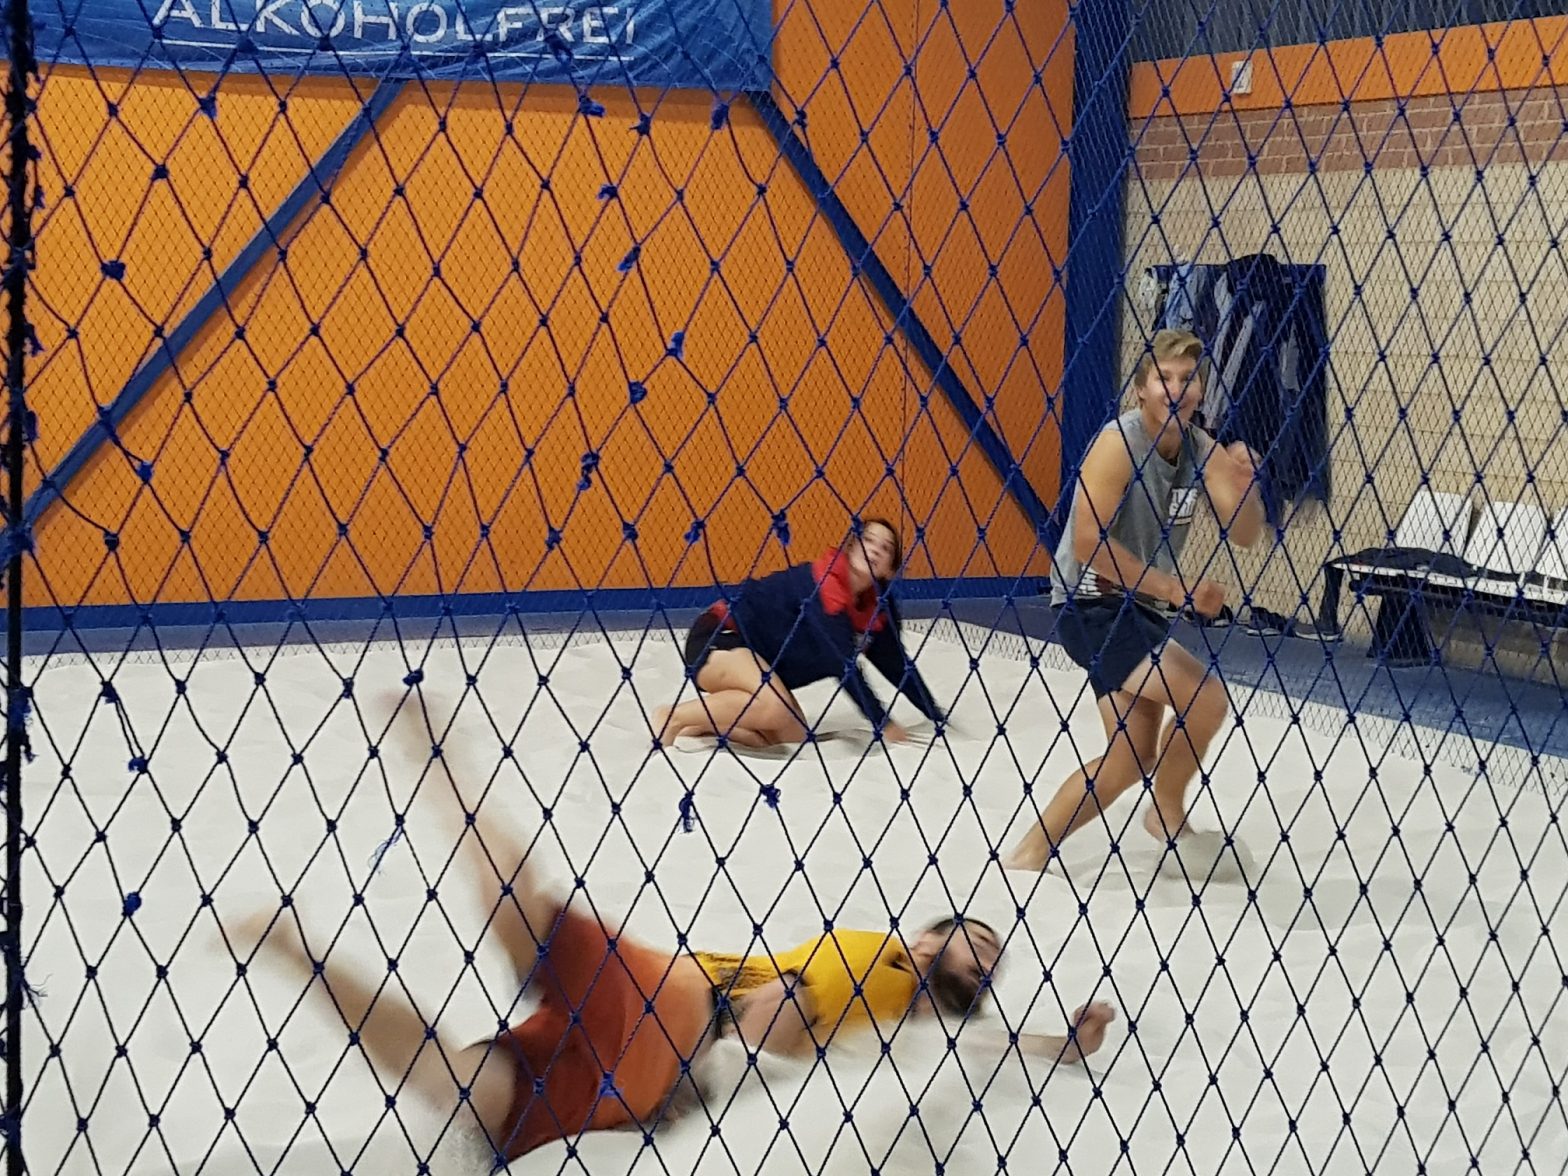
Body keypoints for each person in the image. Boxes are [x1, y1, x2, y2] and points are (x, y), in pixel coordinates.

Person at [240, 703, 1117, 1163]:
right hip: (667, 995)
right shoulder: (887, 961)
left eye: (994, 956)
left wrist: (1060, 1045)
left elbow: (980, 1049)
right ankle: (445, 774)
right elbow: (797, 1004)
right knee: (520, 916)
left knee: (458, 1084)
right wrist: (782, 1011)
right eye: (980, 940)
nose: (988, 958)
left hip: (665, 1051)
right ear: (933, 935)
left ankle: (301, 956)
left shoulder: (924, 1016)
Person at [1005, 328, 1266, 876]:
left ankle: (1030, 851)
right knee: (1205, 698)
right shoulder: (1117, 444)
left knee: (1130, 757)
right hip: (1089, 603)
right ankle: (1166, 812)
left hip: (1138, 610)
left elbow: (1244, 533)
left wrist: (1246, 485)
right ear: (1142, 390)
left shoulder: (1200, 447)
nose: (1177, 388)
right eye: (1164, 378)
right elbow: (1086, 543)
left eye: (1188, 379)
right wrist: (1178, 590)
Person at [652, 517, 945, 750]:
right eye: (868, 540)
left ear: (890, 570)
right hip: (720, 637)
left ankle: (703, 725)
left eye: (886, 547)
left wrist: (935, 714)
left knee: (793, 735)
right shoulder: (823, 586)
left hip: (759, 664)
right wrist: (884, 723)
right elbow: (841, 664)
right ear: (851, 547)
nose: (875, 549)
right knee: (775, 708)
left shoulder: (877, 606)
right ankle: (673, 716)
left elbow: (895, 663)